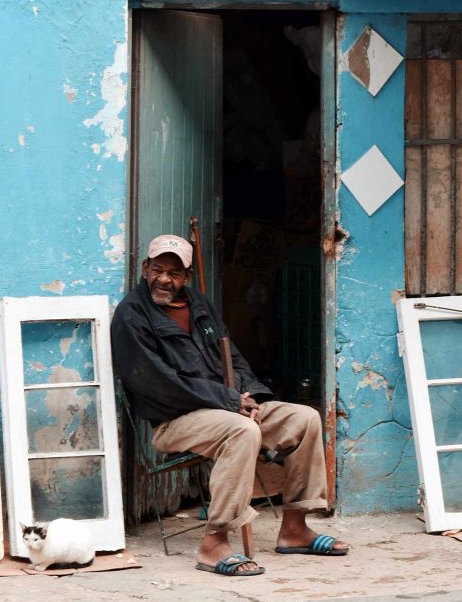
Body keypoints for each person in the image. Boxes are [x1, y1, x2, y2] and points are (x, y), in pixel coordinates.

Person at [111, 234, 348, 576]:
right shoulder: (131, 316)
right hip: (176, 420)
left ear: (186, 277)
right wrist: (229, 401)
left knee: (305, 418)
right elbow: (159, 382)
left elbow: (232, 357)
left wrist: (249, 396)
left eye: (174, 273)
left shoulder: (198, 304)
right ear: (145, 268)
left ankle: (295, 529)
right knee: (242, 430)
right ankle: (214, 542)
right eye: (158, 269)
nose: (165, 278)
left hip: (227, 407)